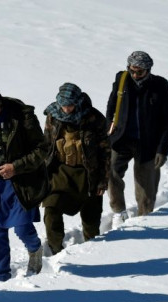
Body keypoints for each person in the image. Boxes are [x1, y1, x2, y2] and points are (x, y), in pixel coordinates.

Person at [0, 85, 48, 282]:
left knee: (22, 226)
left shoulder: (22, 116)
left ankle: (35, 249)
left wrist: (15, 167)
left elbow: (42, 149)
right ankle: (1, 276)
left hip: (19, 183)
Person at [106, 50, 168, 224]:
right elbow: (111, 106)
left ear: (148, 70)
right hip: (122, 139)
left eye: (140, 72)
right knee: (111, 172)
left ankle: (144, 219)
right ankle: (119, 211)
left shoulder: (160, 86)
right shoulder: (121, 80)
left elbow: (167, 121)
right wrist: (109, 129)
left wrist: (162, 149)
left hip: (148, 143)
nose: (135, 75)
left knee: (146, 188)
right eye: (132, 70)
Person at [42, 82, 110, 254]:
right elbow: (46, 146)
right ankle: (55, 250)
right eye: (63, 105)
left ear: (78, 102)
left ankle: (92, 251)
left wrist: (102, 180)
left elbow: (105, 151)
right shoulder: (52, 116)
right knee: (51, 209)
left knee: (91, 219)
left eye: (70, 105)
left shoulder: (95, 118)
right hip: (60, 172)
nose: (66, 109)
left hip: (88, 174)